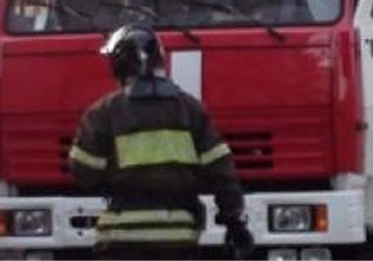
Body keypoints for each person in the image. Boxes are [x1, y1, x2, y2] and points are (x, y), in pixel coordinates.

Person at [68, 23, 254, 260]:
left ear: (118, 64)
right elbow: (221, 172)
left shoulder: (104, 112)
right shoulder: (191, 109)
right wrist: (234, 223)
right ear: (159, 60)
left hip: (122, 239)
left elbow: (83, 171)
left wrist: (115, 181)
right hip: (178, 238)